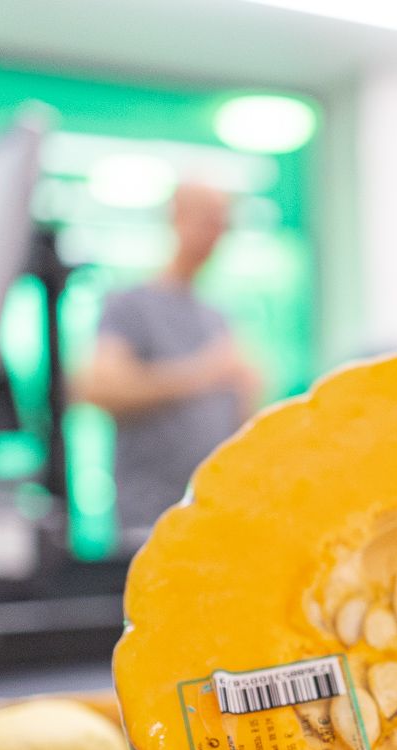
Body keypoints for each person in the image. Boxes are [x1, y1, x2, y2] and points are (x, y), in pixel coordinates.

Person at [74, 181, 261, 532]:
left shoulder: (216, 317)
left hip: (213, 518)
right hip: (149, 519)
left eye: (223, 224)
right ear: (177, 218)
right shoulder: (130, 305)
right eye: (207, 220)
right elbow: (97, 389)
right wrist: (200, 374)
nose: (215, 235)